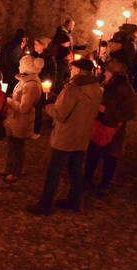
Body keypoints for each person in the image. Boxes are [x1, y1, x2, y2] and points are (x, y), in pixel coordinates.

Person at [27, 59, 102, 215]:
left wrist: (48, 106)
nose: (71, 71)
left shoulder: (73, 88)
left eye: (73, 69)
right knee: (75, 169)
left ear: (80, 71)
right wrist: (58, 97)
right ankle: (75, 201)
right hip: (82, 135)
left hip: (66, 135)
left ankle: (45, 204)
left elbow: (61, 114)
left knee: (54, 170)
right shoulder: (95, 88)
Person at [84, 60, 136, 197]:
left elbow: (129, 113)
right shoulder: (105, 84)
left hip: (114, 129)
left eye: (107, 71)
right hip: (98, 126)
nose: (104, 73)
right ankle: (87, 180)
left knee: (109, 158)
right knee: (93, 154)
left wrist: (106, 110)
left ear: (115, 74)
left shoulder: (125, 89)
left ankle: (105, 185)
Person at [0, 55, 43, 183]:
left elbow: (24, 108)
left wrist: (10, 101)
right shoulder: (25, 81)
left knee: (18, 147)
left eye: (21, 64)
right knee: (12, 145)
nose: (19, 66)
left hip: (21, 121)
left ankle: (16, 171)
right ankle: (8, 168)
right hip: (15, 120)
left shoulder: (31, 85)